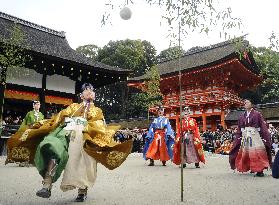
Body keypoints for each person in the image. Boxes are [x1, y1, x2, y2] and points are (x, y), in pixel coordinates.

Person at [6, 83, 133, 202]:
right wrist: (46, 124)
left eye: (91, 90)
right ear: (81, 95)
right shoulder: (73, 107)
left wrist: (85, 125)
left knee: (85, 160)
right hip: (65, 133)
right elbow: (59, 117)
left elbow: (99, 125)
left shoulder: (97, 111)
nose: (89, 92)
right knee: (53, 147)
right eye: (86, 90)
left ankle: (82, 190)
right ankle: (47, 184)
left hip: (84, 137)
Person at [229, 99, 271, 177]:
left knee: (257, 152)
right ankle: (251, 167)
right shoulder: (242, 115)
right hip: (245, 136)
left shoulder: (257, 114)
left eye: (247, 102)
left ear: (252, 104)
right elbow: (240, 127)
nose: (245, 104)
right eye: (244, 103)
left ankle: (260, 170)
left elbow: (262, 125)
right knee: (246, 153)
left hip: (255, 135)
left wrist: (263, 135)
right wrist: (239, 136)